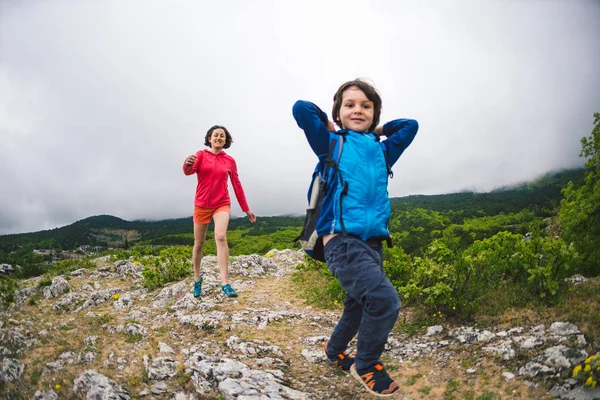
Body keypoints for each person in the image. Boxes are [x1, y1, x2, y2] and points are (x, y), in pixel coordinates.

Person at [292, 79, 418, 397]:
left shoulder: (382, 150)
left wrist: (379, 130)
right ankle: (366, 365)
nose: (358, 110)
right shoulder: (331, 142)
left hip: (373, 242)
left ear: (374, 113)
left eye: (365, 105)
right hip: (340, 241)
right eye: (349, 105)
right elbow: (300, 109)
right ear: (339, 111)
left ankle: (335, 351)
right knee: (384, 301)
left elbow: (410, 126)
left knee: (358, 306)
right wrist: (328, 121)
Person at [183, 125, 256, 298]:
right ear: (209, 138)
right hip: (201, 204)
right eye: (215, 135)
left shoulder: (229, 161)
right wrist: (186, 163)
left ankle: (225, 283)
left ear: (225, 140)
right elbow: (188, 172)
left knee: (221, 236)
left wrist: (246, 209)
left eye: (222, 136)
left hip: (221, 204)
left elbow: (237, 185)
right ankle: (197, 279)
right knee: (198, 244)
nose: (218, 138)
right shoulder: (200, 155)